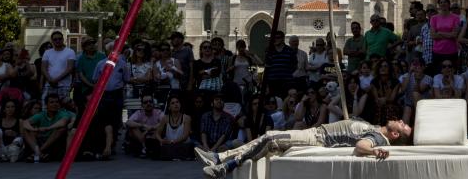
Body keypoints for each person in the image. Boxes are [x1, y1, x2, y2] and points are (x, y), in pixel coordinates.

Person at [198, 118, 412, 177]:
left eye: (402, 125)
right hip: (318, 131)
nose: (400, 120)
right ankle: (219, 158)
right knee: (268, 139)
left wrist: (374, 151)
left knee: (271, 137)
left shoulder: (378, 137)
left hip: (319, 137)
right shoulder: (374, 126)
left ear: (395, 134)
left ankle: (224, 165)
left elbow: (361, 145)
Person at [22, 93, 69, 162]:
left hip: (53, 141)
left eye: (56, 102)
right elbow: (25, 122)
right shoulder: (41, 114)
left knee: (61, 129)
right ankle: (39, 153)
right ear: (46, 105)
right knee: (26, 130)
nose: (55, 104)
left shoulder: (62, 113)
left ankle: (38, 152)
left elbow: (63, 122)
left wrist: (48, 128)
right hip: (41, 139)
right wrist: (34, 129)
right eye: (51, 102)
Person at [41, 31, 77, 101]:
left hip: (64, 86)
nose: (57, 40)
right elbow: (43, 68)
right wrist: (50, 80)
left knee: (64, 109)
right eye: (55, 39)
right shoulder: (47, 52)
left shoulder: (70, 52)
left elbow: (70, 69)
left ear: (63, 39)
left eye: (59, 39)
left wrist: (55, 80)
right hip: (49, 85)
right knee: (45, 108)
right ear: (52, 41)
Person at [156, 95, 193, 161]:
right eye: (173, 103)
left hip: (182, 145)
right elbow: (157, 133)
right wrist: (161, 140)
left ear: (180, 104)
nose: (176, 104)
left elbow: (185, 136)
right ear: (169, 107)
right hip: (169, 145)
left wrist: (173, 142)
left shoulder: (187, 118)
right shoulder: (165, 118)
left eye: (177, 102)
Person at [0, 98, 23, 163]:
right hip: (0, 147)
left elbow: (23, 136)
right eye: (8, 107)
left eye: (12, 107)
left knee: (18, 139)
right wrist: (3, 134)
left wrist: (15, 134)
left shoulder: (19, 121)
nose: (10, 109)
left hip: (14, 147)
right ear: (4, 109)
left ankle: (8, 157)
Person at [126, 93, 164, 158]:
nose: (148, 104)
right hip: (142, 135)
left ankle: (150, 148)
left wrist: (152, 127)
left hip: (154, 134)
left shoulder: (158, 112)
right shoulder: (139, 113)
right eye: (145, 102)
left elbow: (164, 121)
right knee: (133, 128)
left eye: (150, 101)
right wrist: (142, 125)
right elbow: (128, 122)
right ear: (142, 105)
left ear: (153, 103)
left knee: (160, 128)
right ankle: (144, 148)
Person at [430, 0, 461, 72]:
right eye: (441, 2)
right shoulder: (434, 18)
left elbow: (455, 34)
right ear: (438, 5)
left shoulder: (456, 18)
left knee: (452, 74)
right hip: (437, 51)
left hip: (451, 51)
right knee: (438, 74)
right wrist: (448, 34)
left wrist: (440, 33)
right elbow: (433, 35)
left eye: (445, 2)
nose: (443, 4)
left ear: (449, 4)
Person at [75, 38, 106, 111]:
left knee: (101, 108)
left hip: (102, 88)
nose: (92, 46)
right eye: (89, 44)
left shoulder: (102, 56)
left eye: (93, 43)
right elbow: (81, 75)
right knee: (89, 109)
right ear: (84, 47)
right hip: (87, 89)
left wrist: (100, 84)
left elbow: (106, 70)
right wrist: (91, 85)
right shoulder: (81, 59)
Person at [264, 31, 297, 98]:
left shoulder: (290, 50)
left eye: (278, 37)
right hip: (273, 81)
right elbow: (267, 65)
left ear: (282, 39)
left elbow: (294, 65)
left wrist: (287, 73)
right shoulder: (269, 50)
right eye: (274, 38)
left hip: (286, 81)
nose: (276, 39)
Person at [399, 58, 432, 123]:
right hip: (408, 104)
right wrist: (410, 73)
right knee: (407, 109)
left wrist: (417, 80)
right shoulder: (406, 76)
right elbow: (403, 89)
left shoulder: (429, 78)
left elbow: (418, 91)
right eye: (415, 64)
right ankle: (404, 132)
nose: (417, 67)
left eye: (420, 65)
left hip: (421, 103)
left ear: (424, 67)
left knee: (415, 94)